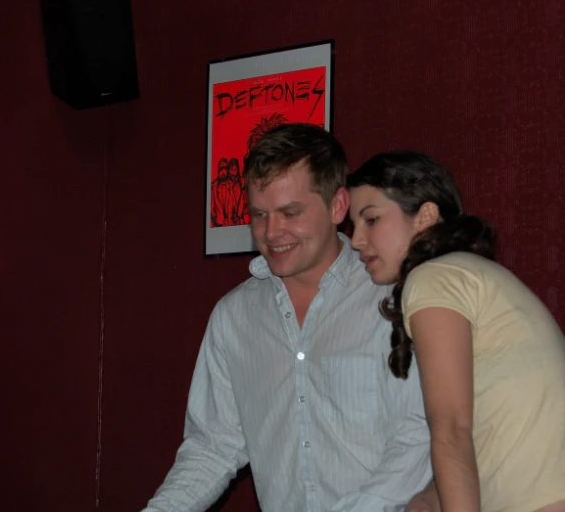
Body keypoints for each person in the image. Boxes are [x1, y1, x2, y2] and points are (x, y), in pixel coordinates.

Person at [143, 125, 433, 512]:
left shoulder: (396, 297)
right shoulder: (234, 317)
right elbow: (213, 447)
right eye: (259, 214)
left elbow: (418, 438)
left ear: (337, 206)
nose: (271, 231)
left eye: (290, 213)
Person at [347, 151, 565, 512]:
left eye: (371, 220)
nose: (356, 240)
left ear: (425, 216)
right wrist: (429, 498)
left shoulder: (434, 278)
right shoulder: (469, 274)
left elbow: (452, 429)